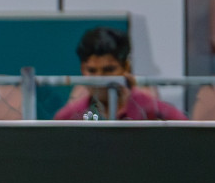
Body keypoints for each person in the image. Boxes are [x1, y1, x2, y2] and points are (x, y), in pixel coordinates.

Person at [53, 26, 186, 121]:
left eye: (109, 70)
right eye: (92, 71)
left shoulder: (154, 112)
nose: (100, 79)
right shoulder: (69, 118)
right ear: (83, 69)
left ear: (126, 68)